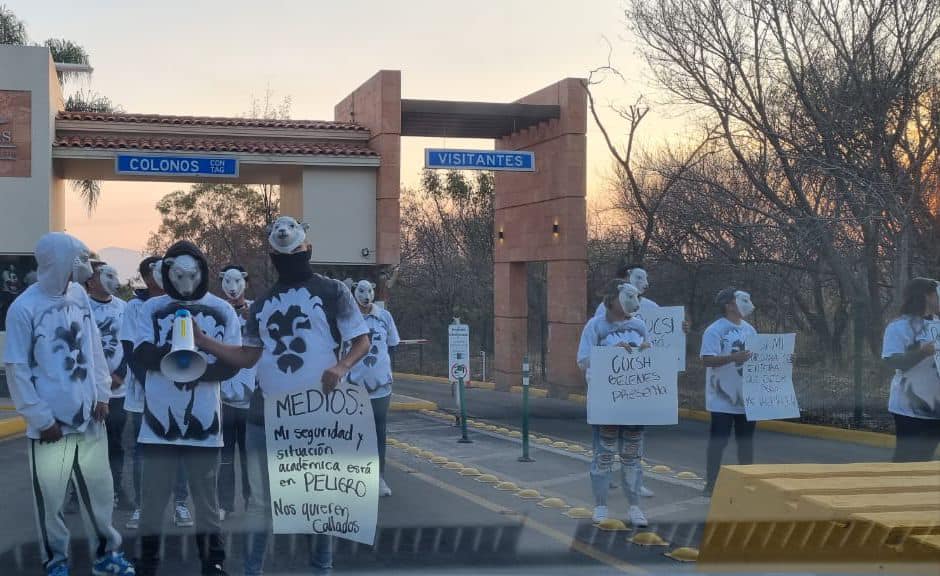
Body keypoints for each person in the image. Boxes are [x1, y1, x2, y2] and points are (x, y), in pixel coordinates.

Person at [194, 217, 371, 576]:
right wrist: (204, 342)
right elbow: (247, 355)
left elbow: (361, 340)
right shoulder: (261, 306)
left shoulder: (334, 291)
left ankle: (322, 569)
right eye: (279, 252)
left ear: (307, 250)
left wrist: (341, 368)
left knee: (319, 499)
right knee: (261, 503)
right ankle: (252, 570)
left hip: (318, 414)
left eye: (294, 251)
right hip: (265, 416)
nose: (288, 258)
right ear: (272, 255)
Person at [4, 232, 135, 576]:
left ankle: (107, 556)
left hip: (91, 419)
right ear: (58, 261)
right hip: (51, 428)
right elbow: (16, 368)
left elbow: (92, 349)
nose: (86, 265)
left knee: (100, 493)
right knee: (50, 500)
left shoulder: (79, 296)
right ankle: (56, 561)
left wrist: (102, 394)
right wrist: (40, 418)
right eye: (79, 258)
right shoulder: (24, 309)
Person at [133, 242, 241, 576]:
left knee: (207, 504)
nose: (185, 282)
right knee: (152, 502)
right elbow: (138, 354)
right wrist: (174, 350)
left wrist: (200, 367)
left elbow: (234, 360)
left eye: (192, 275)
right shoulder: (149, 309)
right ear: (167, 273)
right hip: (157, 426)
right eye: (178, 276)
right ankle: (148, 562)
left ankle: (213, 562)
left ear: (202, 272)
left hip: (205, 425)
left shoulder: (223, 309)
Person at [121, 257, 193, 531]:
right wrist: (151, 387)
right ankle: (143, 506)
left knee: (181, 447)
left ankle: (181, 504)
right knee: (144, 453)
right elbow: (131, 350)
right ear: (147, 277)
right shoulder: (135, 307)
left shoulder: (183, 304)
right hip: (143, 399)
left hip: (178, 393)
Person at [577, 280, 651, 527]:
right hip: (605, 403)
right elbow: (583, 360)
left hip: (635, 402)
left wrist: (647, 351)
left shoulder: (640, 325)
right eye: (627, 296)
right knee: (604, 454)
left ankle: (634, 507)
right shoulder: (595, 326)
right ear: (612, 300)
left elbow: (649, 358)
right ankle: (600, 505)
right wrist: (610, 355)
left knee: (633, 455)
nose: (633, 301)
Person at [85, 261, 134, 510]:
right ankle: (79, 492)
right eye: (107, 276)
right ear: (91, 280)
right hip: (89, 390)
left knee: (115, 442)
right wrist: (97, 379)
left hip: (118, 390)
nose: (114, 281)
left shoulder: (124, 308)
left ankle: (116, 489)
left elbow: (130, 343)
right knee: (86, 442)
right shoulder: (81, 307)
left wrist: (120, 374)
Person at [700, 287, 758, 496]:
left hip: (746, 399)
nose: (748, 303)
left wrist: (783, 360)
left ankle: (747, 484)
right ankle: (711, 484)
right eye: (743, 299)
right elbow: (707, 360)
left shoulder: (750, 329)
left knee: (746, 444)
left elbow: (759, 357)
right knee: (718, 443)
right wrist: (733, 358)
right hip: (721, 399)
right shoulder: (714, 330)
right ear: (729, 305)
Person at [347, 279, 401, 497]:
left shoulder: (384, 317)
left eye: (369, 290)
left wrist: (387, 373)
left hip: (380, 388)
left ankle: (378, 478)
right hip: (353, 386)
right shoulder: (347, 317)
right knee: (356, 433)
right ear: (355, 293)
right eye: (361, 291)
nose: (365, 295)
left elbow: (392, 345)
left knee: (379, 432)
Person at [882, 277, 940, 462]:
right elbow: (892, 361)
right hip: (908, 407)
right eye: (937, 294)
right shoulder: (899, 326)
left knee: (925, 460)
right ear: (927, 296)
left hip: (936, 406)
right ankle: (895, 490)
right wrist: (921, 353)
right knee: (906, 460)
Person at [217, 265, 256, 519]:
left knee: (250, 454)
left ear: (245, 282)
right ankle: (224, 503)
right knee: (225, 455)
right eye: (227, 281)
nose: (232, 287)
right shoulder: (217, 310)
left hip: (253, 395)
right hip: (223, 395)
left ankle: (253, 500)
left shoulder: (257, 310)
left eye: (237, 281)